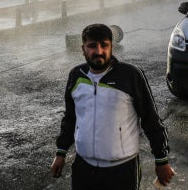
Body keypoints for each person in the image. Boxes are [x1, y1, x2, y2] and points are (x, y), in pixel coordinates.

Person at [50, 23, 174, 189]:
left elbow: (150, 119)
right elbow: (71, 118)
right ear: (83, 48)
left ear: (111, 46)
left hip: (122, 170)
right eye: (92, 46)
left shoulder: (130, 75)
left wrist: (161, 160)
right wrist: (61, 152)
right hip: (84, 168)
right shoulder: (76, 76)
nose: (99, 51)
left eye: (104, 45)